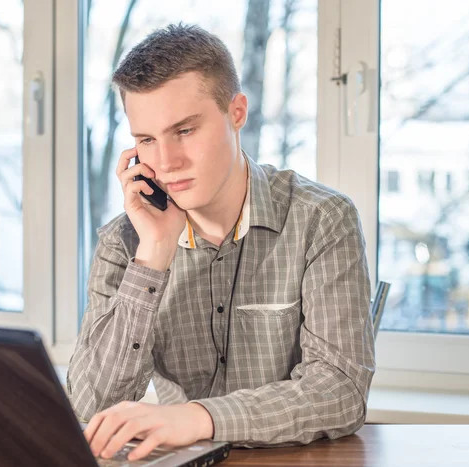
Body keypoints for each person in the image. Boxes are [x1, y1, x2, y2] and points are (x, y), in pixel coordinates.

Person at [68, 23, 375, 462]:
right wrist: (153, 255)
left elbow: (340, 391)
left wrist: (200, 417)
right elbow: (88, 410)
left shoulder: (322, 220)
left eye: (186, 131)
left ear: (236, 113)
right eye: (147, 140)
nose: (167, 162)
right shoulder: (125, 241)